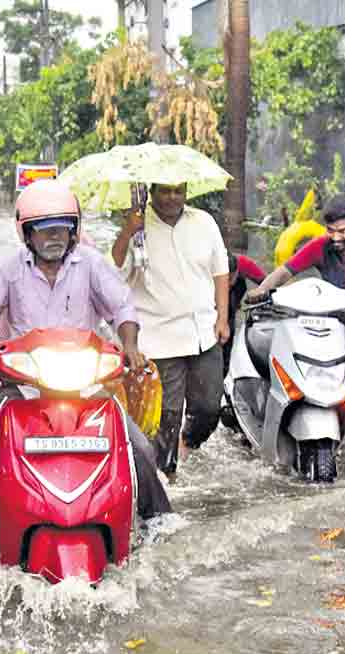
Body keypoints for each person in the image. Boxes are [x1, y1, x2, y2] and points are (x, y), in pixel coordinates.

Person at [0, 179, 172, 520]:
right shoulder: (8, 270)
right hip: (23, 389)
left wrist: (130, 346)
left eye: (62, 229)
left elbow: (122, 306)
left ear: (74, 230)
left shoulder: (90, 263)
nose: (55, 237)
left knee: (140, 449)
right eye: (45, 231)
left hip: (88, 388)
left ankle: (158, 521)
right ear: (27, 233)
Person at [247, 194, 345, 434]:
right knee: (333, 388)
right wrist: (261, 290)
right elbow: (286, 271)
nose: (336, 237)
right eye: (330, 230)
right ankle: (331, 438)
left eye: (343, 231)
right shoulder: (320, 247)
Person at [112, 182, 230, 475]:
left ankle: (185, 446)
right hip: (159, 338)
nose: (172, 197)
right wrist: (128, 231)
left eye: (178, 191)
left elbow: (220, 270)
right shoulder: (137, 225)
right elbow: (111, 271)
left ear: (187, 191)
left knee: (209, 409)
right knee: (167, 416)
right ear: (152, 192)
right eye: (165, 191)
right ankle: (166, 477)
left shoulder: (203, 222)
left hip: (204, 331)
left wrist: (223, 317)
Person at [224, 251, 267, 376]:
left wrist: (259, 294)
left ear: (237, 270)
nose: (228, 283)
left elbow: (267, 283)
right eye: (226, 278)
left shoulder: (245, 264)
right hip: (212, 300)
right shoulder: (209, 266)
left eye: (231, 278)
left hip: (232, 303)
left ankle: (225, 371)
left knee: (228, 337)